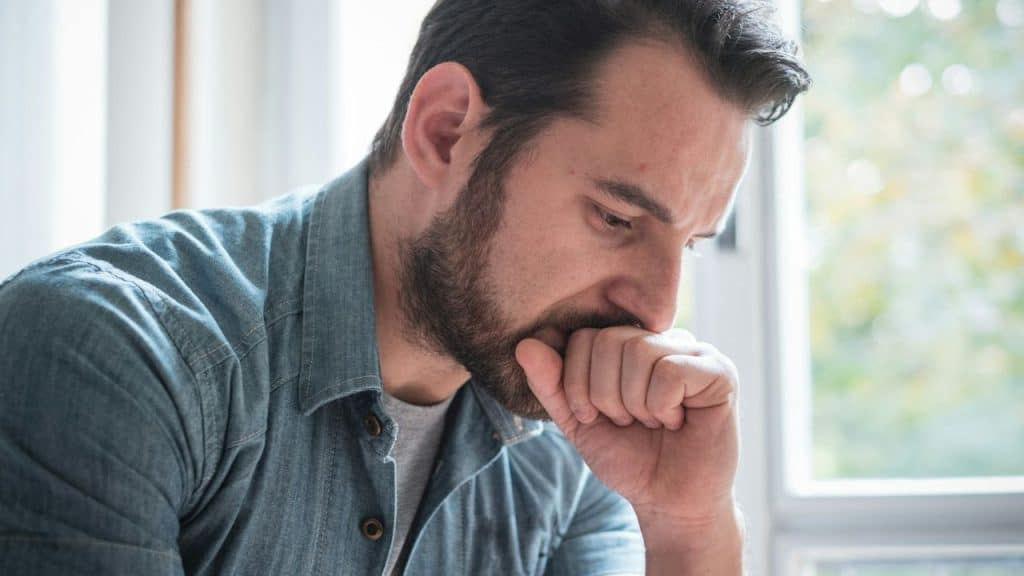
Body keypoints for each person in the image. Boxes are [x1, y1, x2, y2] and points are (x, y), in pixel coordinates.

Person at [0, 1, 810, 574]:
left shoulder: (579, 447)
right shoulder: (111, 355)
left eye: (690, 244)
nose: (658, 309)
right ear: (446, 130)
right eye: (614, 218)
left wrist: (688, 527)